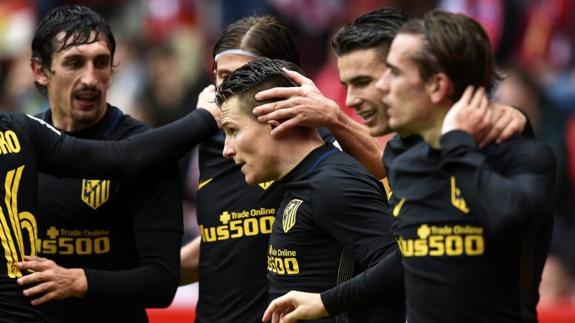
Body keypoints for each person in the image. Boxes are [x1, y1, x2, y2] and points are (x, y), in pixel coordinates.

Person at [259, 7, 532, 323]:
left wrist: (328, 301)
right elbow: (409, 249)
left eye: (365, 81)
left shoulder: (495, 144)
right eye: (347, 84)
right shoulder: (405, 151)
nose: (351, 100)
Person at [13, 5, 182, 323]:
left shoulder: (146, 151)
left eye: (101, 63)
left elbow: (161, 283)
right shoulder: (19, 146)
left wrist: (77, 281)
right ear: (39, 70)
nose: (90, 78)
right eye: (74, 63)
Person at [217, 57, 404, 323]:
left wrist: (327, 303)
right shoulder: (302, 180)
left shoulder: (334, 183)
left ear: (274, 119)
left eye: (233, 130)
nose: (227, 149)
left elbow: (401, 270)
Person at [179, 16, 336, 323]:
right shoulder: (212, 144)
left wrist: (334, 118)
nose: (232, 92)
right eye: (223, 78)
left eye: (245, 77)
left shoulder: (315, 148)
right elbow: (223, 242)